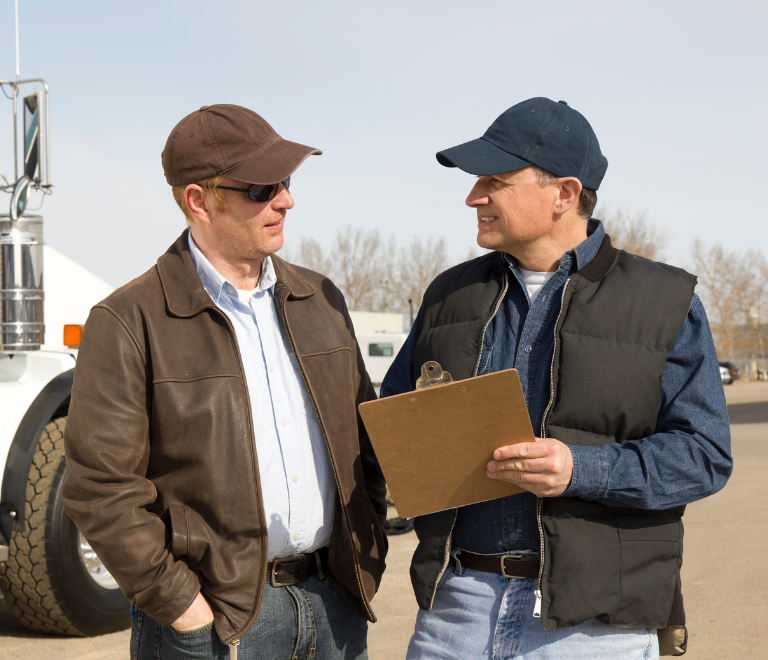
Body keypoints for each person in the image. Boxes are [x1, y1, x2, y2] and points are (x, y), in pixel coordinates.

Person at [381, 97, 732, 659]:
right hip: (455, 613)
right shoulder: (448, 295)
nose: (474, 196)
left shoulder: (665, 301)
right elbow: (393, 422)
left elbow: (704, 455)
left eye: (495, 180)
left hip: (591, 626)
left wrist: (581, 468)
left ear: (564, 194)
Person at [63, 104, 387, 660]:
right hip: (217, 625)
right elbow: (100, 487)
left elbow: (368, 441)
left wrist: (365, 556)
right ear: (198, 200)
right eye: (262, 188)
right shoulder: (128, 320)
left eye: (285, 182)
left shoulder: (323, 300)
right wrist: (183, 608)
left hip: (334, 608)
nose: (286, 199)